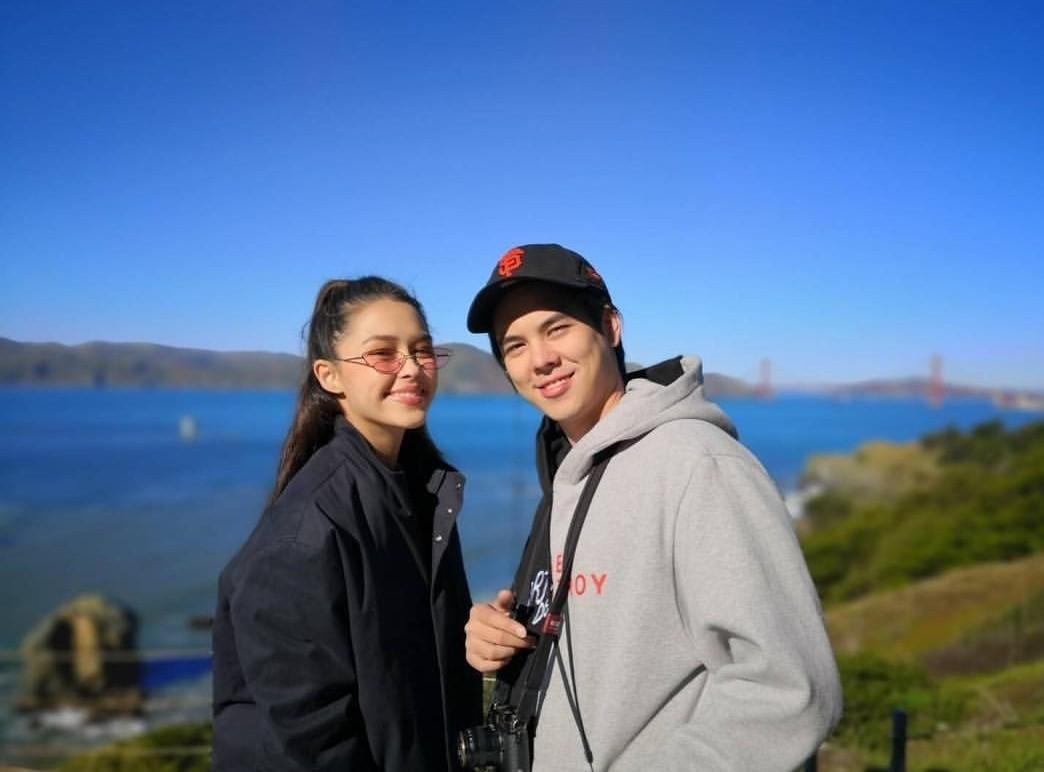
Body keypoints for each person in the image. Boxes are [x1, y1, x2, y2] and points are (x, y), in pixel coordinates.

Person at [463, 245, 842, 771]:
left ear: (610, 327)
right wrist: (498, 637)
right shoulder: (567, 474)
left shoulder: (699, 465)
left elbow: (788, 691)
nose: (540, 359)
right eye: (516, 345)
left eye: (558, 329)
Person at [212, 277, 482, 771]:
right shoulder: (306, 534)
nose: (411, 368)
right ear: (329, 375)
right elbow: (314, 741)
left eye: (421, 350)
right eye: (383, 354)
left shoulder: (421, 494)